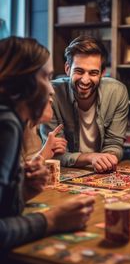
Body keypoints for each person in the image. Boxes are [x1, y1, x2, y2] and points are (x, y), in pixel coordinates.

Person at [0, 36, 95, 250]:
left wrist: (24, 191)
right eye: (46, 77)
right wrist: (52, 220)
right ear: (25, 81)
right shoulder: (6, 124)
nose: (51, 90)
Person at [40, 35, 129, 173]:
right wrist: (90, 157)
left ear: (102, 73)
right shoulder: (51, 94)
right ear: (68, 69)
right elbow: (54, 153)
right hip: (64, 173)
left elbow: (115, 144)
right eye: (79, 71)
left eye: (93, 73)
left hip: (100, 173)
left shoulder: (117, 92)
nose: (85, 80)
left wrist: (105, 160)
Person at [21, 96, 67, 162]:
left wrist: (44, 154)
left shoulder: (30, 135)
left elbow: (25, 167)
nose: (51, 100)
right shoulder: (9, 126)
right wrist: (43, 155)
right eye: (49, 94)